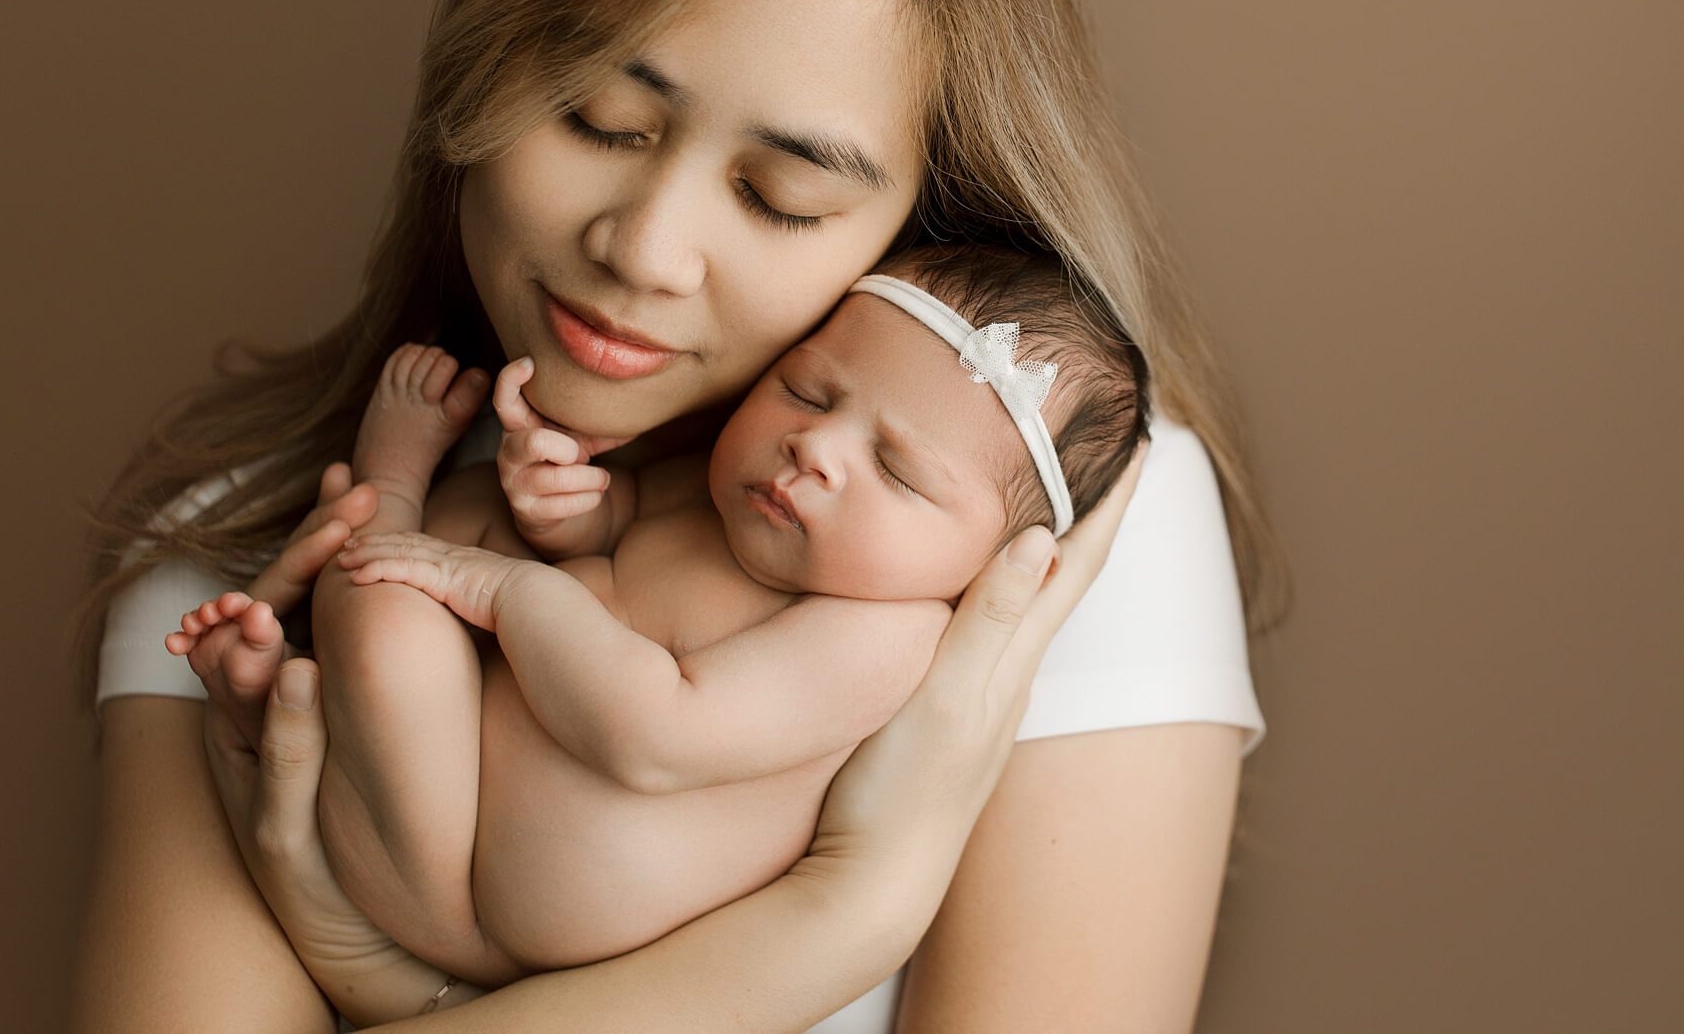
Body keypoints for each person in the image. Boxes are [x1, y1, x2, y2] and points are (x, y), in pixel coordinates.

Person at [67, 0, 1280, 1029]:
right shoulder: (245, 533)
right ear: (478, 66)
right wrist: (831, 919)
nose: (643, 249)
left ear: (914, 227)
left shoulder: (1039, 532)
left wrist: (365, 961)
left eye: (778, 197)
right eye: (601, 117)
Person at [166, 244, 1151, 985]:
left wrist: (505, 585)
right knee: (437, 557)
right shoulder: (710, 483)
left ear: (996, 559)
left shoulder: (878, 634)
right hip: (421, 803)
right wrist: (563, 504)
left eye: (895, 468)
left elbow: (656, 733)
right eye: (805, 390)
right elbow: (611, 543)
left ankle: (389, 482)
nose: (814, 449)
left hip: (496, 905)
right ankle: (290, 693)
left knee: (399, 595)